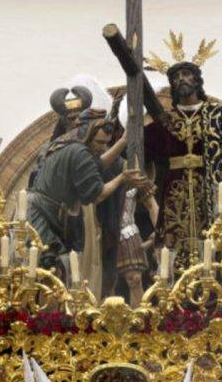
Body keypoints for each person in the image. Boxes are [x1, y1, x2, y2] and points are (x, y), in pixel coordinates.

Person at [144, 33, 222, 271]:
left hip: (211, 191)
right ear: (172, 85)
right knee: (174, 251)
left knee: (215, 244)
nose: (181, 79)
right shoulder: (165, 122)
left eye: (186, 74)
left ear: (197, 81)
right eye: (176, 77)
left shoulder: (219, 114)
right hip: (175, 194)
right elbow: (139, 148)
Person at [27, 107, 146, 271]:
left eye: (105, 143)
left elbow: (96, 166)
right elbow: (97, 195)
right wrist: (122, 178)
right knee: (52, 268)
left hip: (44, 213)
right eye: (99, 143)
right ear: (86, 133)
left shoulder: (68, 144)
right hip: (42, 217)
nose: (102, 148)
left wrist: (123, 141)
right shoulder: (79, 152)